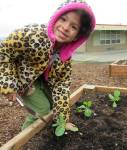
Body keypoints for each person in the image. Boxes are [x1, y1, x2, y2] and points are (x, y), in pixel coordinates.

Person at [0, 0, 96, 130]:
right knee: (42, 109)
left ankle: (47, 126)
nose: (66, 27)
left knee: (52, 104)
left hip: (42, 79)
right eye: (63, 19)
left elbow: (61, 85)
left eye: (74, 27)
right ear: (55, 18)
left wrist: (63, 121)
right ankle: (27, 138)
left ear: (77, 37)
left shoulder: (65, 57)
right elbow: (4, 52)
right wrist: (7, 83)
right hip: (22, 79)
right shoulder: (33, 35)